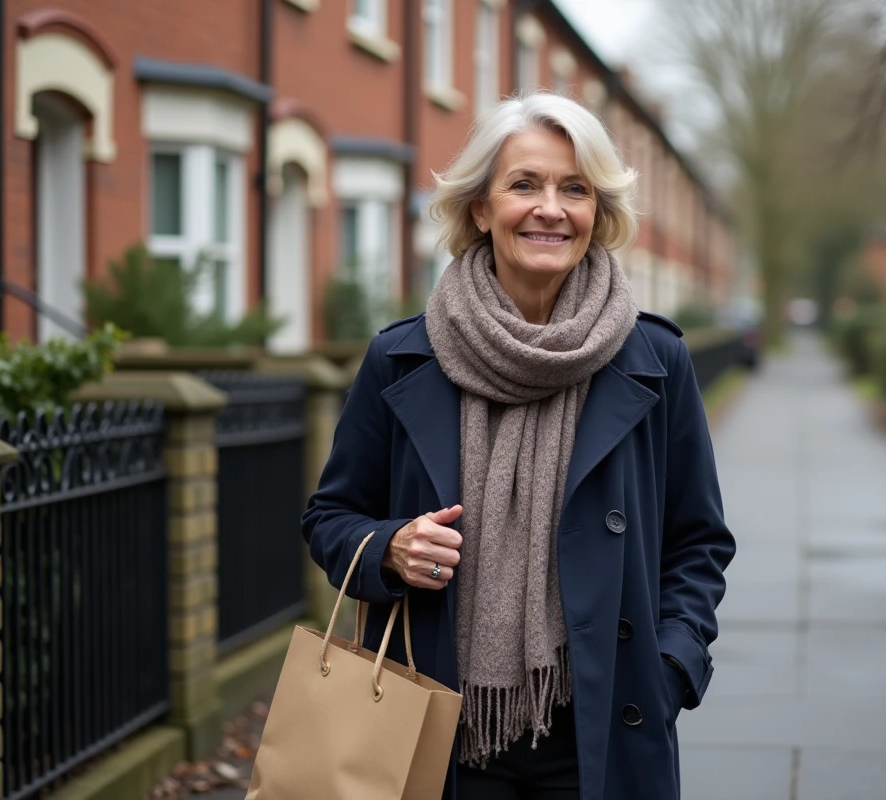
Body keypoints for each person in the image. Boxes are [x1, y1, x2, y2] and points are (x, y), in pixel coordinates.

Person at [302, 91, 735, 800]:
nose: (551, 208)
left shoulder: (653, 359)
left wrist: (672, 665)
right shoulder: (401, 358)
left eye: (575, 189)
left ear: (597, 214)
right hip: (436, 725)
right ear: (480, 208)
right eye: (524, 185)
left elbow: (698, 541)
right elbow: (329, 518)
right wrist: (389, 547)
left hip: (603, 723)